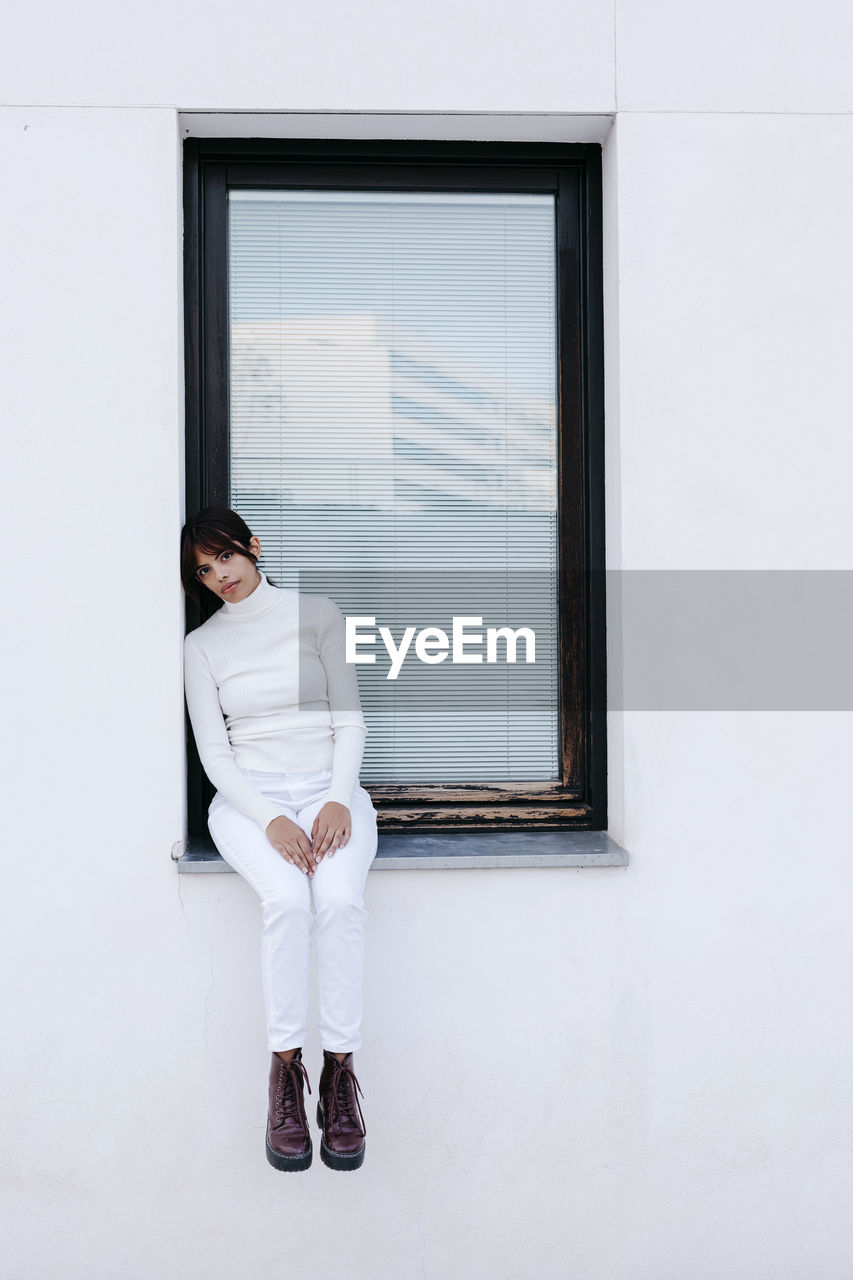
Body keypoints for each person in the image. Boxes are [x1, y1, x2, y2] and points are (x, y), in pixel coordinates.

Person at [180, 506, 378, 1172]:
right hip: (248, 805)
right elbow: (215, 755)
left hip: (331, 794)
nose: (219, 577)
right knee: (290, 902)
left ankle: (340, 1077)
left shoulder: (317, 614)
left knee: (341, 901)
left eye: (225, 559)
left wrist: (334, 799)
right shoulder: (202, 647)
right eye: (204, 571)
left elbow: (349, 722)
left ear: (253, 548)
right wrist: (270, 817)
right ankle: (286, 1075)